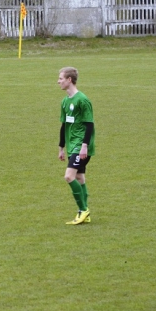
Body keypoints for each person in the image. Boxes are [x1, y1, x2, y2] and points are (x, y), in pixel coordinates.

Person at [57, 67, 95, 225]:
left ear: (69, 80)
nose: (58, 81)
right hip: (72, 145)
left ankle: (82, 210)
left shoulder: (82, 100)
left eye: (61, 78)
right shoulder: (65, 101)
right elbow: (63, 125)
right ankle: (86, 212)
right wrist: (61, 147)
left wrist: (84, 146)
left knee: (69, 176)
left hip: (81, 146)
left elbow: (89, 125)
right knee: (79, 177)